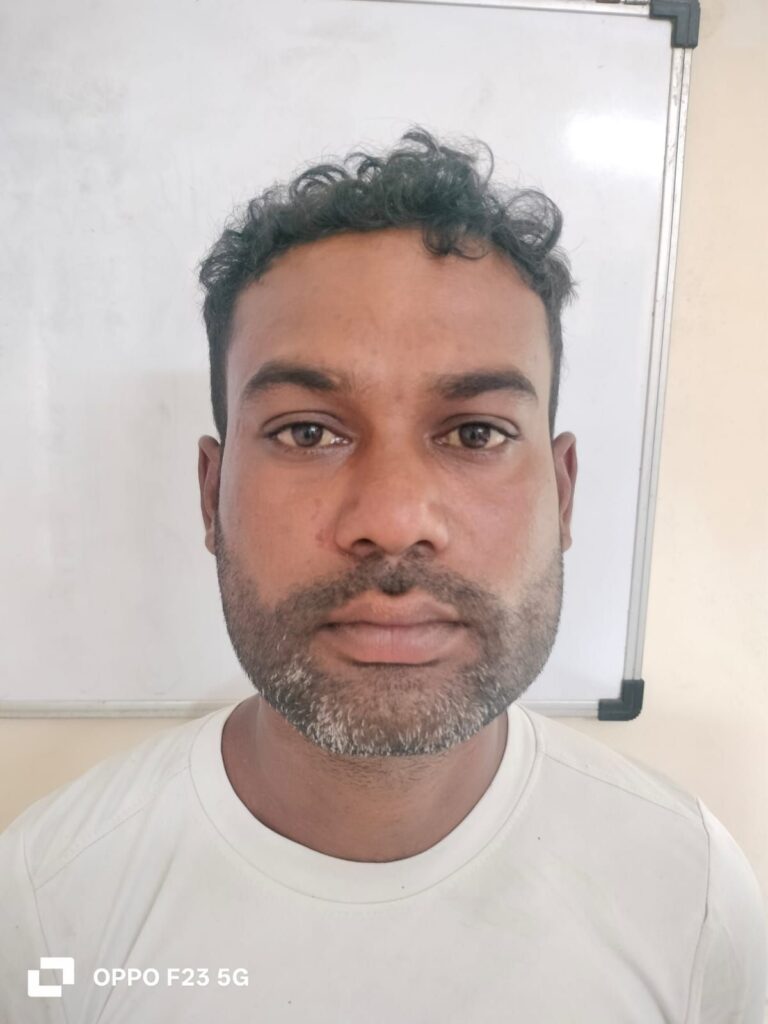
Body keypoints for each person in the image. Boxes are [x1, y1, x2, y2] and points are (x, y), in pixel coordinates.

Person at [0, 127, 765, 1023]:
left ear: (562, 494)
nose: (394, 520)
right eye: (307, 431)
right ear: (212, 495)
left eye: (476, 432)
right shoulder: (51, 904)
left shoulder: (691, 891)